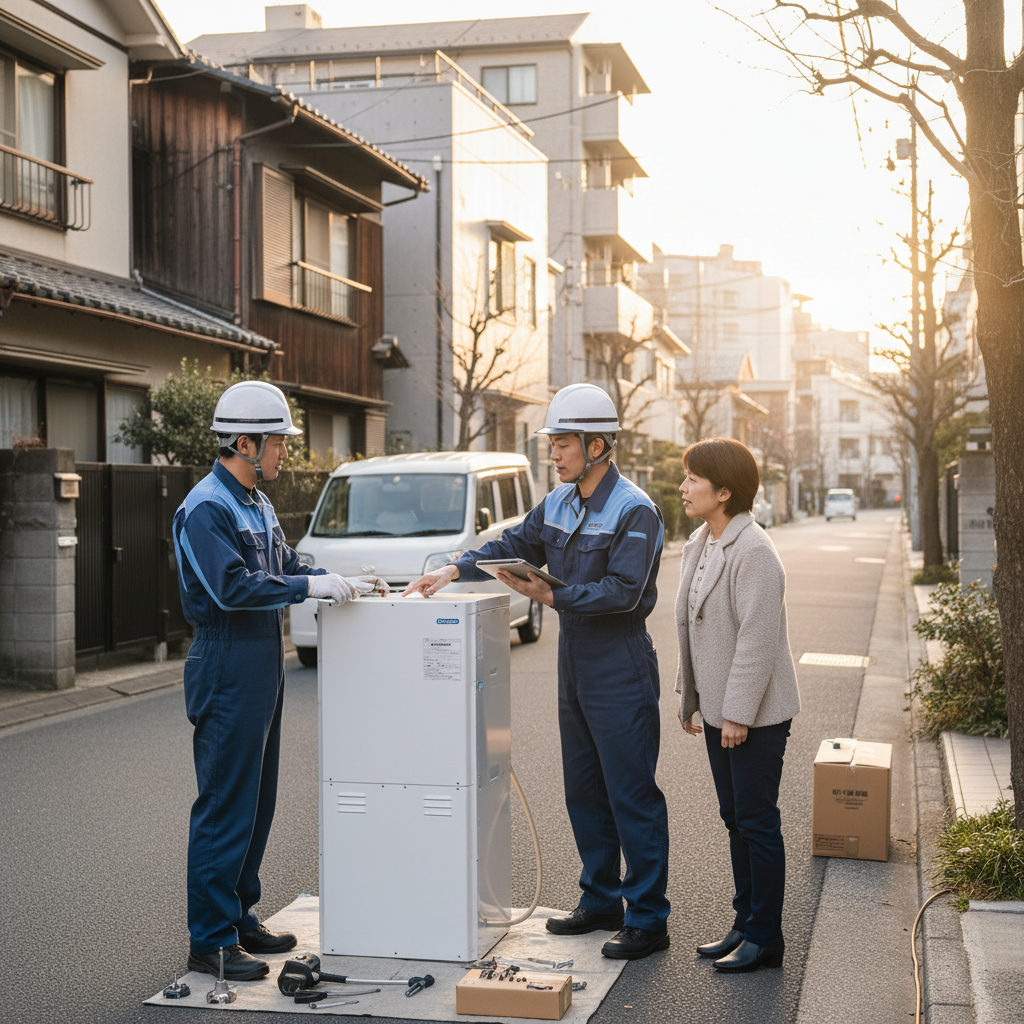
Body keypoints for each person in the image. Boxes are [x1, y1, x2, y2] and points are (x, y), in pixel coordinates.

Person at [404, 384, 670, 960]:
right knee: (584, 789)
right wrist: (453, 569)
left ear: (598, 444)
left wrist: (551, 597)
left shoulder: (636, 510)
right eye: (553, 442)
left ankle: (648, 918)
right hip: (574, 660)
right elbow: (516, 542)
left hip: (619, 659)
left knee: (631, 793)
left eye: (563, 442)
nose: (553, 452)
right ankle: (601, 899)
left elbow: (624, 593)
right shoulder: (557, 503)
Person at [173, 380, 383, 980]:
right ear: (245, 441)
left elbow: (284, 564)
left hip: (263, 655)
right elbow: (233, 587)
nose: (286, 450)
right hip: (226, 655)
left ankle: (239, 915)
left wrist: (333, 576)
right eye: (278, 442)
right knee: (224, 803)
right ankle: (209, 939)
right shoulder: (206, 507)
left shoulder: (256, 501)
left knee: (258, 800)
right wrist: (308, 588)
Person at [675, 437, 801, 973]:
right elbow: (692, 626)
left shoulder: (755, 552)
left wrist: (737, 715)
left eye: (693, 480)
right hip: (718, 710)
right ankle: (744, 923)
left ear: (724, 492)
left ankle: (765, 937)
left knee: (756, 820)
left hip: (754, 715)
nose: (682, 487)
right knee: (734, 818)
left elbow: (757, 640)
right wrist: (690, 697)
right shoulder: (700, 542)